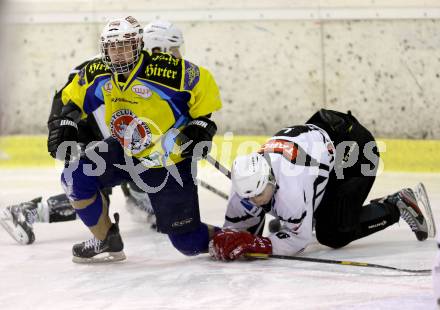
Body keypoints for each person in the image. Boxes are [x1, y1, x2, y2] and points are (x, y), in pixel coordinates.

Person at [51, 16, 221, 263]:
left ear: (138, 45)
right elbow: (73, 98)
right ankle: (105, 239)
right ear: (104, 49)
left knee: (189, 243)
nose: (118, 53)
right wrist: (66, 122)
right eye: (112, 47)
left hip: (167, 160)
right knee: (74, 177)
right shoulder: (97, 71)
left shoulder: (167, 71)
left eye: (124, 46)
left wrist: (201, 126)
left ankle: (232, 237)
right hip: (123, 150)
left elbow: (203, 94)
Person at [0, 19, 186, 245]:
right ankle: (26, 212)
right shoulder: (109, 66)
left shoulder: (144, 69)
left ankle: (139, 197)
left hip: (112, 137)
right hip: (87, 135)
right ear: (157, 49)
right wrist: (61, 126)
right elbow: (66, 97)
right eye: (174, 50)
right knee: (94, 187)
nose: (177, 56)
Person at [209, 109, 435, 261]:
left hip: (354, 150)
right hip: (323, 141)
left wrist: (260, 244)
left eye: (258, 195)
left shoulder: (292, 187)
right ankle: (309, 217)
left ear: (270, 179)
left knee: (333, 233)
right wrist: (229, 238)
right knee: (299, 211)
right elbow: (239, 226)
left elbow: (299, 242)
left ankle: (397, 204)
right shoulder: (246, 180)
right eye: (248, 197)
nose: (253, 201)